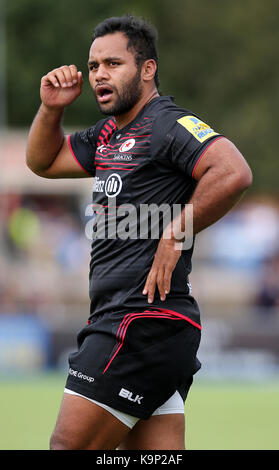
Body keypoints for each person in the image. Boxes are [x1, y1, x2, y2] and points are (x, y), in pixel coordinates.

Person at [26, 15, 252, 450]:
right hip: (143, 323)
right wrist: (52, 108)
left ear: (147, 69)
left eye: (113, 63)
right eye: (93, 67)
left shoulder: (167, 123)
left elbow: (233, 171)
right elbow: (44, 162)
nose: (99, 75)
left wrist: (174, 233)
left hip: (138, 321)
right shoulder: (109, 133)